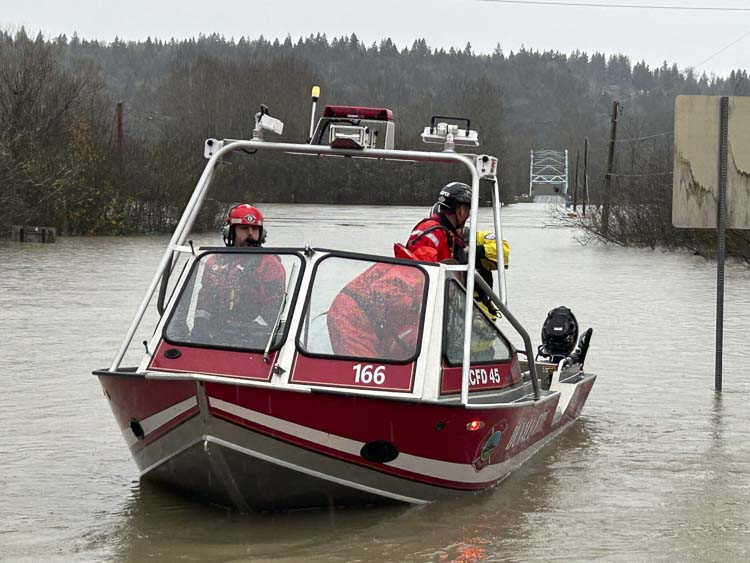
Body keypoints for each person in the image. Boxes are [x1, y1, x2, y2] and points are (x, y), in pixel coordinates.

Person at [191, 204, 286, 347]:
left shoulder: (269, 263)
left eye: (254, 229)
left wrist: (250, 329)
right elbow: (206, 297)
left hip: (255, 338)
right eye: (243, 228)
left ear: (262, 233)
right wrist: (200, 325)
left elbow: (276, 304)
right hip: (218, 333)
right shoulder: (215, 260)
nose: (250, 233)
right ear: (230, 232)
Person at [327, 262, 425, 361]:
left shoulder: (422, 268)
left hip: (366, 319)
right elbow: (381, 289)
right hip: (352, 317)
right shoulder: (420, 270)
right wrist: (416, 307)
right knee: (360, 370)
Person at [404, 182, 472, 263]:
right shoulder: (432, 234)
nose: (469, 215)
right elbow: (424, 270)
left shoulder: (446, 232)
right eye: (468, 210)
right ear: (462, 210)